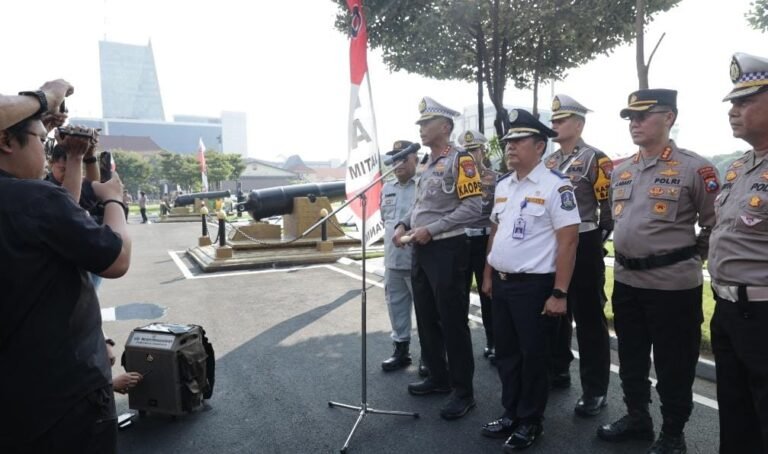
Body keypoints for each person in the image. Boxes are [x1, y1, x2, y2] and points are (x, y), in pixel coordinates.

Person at [0, 84, 132, 453]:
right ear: (6, 141)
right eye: (41, 141)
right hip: (66, 397)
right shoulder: (33, 198)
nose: (46, 155)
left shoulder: (31, 201)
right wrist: (115, 202)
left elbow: (63, 215)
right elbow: (117, 259)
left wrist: (75, 157)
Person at [597, 89, 719, 454]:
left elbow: (715, 224)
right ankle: (638, 418)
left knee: (674, 365)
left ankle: (673, 433)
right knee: (631, 359)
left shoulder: (695, 168)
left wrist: (687, 257)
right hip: (627, 281)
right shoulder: (622, 170)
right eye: (630, 117)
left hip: (673, 287)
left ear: (669, 118)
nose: (634, 123)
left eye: (642, 116)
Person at [479, 109, 580, 450]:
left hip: (534, 286)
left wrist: (559, 292)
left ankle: (531, 420)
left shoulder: (556, 186)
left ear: (539, 146)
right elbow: (496, 232)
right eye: (508, 140)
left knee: (533, 356)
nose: (510, 146)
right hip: (503, 284)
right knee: (506, 354)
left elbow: (569, 241)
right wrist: (488, 273)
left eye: (519, 140)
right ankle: (511, 412)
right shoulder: (504, 185)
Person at [392, 97, 483, 420]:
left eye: (426, 123)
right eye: (420, 123)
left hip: (447, 249)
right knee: (427, 317)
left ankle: (463, 391)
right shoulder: (426, 164)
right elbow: (421, 206)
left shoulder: (462, 160)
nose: (421, 128)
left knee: (452, 321)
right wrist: (404, 224)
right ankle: (438, 376)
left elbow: (474, 207)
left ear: (444, 127)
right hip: (422, 249)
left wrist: (431, 229)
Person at [709, 52, 768, 454]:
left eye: (745, 101)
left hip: (763, 314)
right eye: (732, 102)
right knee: (734, 413)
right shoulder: (739, 167)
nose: (733, 110)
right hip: (728, 310)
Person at [545, 94, 613, 416]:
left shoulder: (595, 159)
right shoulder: (549, 162)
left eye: (561, 120)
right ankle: (558, 369)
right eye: (554, 120)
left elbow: (608, 209)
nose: (555, 125)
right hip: (552, 244)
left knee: (588, 318)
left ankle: (595, 389)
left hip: (584, 242)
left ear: (579, 124)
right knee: (554, 311)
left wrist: (596, 240)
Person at [458, 129, 499, 364]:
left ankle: (494, 341)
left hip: (485, 241)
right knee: (459, 294)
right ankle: (459, 346)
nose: (471, 155)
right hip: (462, 241)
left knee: (488, 293)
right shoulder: (456, 177)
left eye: (474, 150)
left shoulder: (495, 178)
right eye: (466, 151)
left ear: (483, 150)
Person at [380, 140, 420, 372]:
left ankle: (431, 356)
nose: (399, 163)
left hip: (418, 260)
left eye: (404, 158)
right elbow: (385, 221)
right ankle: (401, 350)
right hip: (393, 260)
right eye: (395, 159)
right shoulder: (387, 188)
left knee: (426, 312)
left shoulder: (423, 185)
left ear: (416, 159)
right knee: (396, 308)